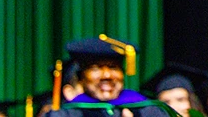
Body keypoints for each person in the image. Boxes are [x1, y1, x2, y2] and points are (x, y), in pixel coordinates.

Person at [42, 36, 172, 117]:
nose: (107, 75)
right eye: (95, 68)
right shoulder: (66, 115)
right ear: (82, 77)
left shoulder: (149, 111)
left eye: (113, 67)